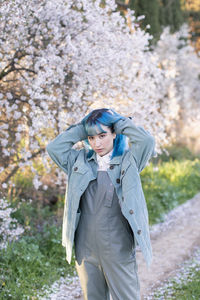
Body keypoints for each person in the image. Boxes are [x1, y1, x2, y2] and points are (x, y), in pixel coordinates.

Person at [46, 108, 156, 300]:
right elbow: (54, 148)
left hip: (117, 245)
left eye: (102, 135)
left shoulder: (129, 161)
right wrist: (82, 128)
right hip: (85, 247)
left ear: (114, 133)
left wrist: (120, 123)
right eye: (91, 138)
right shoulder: (79, 161)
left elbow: (147, 141)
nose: (97, 143)